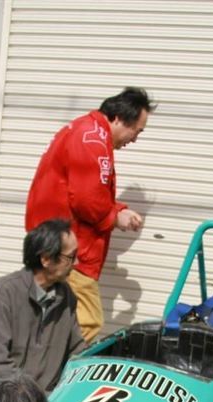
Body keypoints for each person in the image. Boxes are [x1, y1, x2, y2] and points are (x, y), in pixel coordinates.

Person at [25, 87, 155, 343]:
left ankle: (39, 363)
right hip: (71, 250)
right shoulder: (93, 140)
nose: (135, 140)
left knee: (52, 320)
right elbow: (87, 199)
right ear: (119, 119)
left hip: (54, 243)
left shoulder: (83, 130)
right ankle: (57, 368)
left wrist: (116, 209)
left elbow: (85, 189)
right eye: (137, 131)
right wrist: (114, 217)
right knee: (86, 322)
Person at [0, 218, 86, 391]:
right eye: (71, 257)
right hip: (3, 398)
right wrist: (35, 397)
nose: (76, 263)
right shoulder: (1, 296)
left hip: (47, 400)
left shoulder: (66, 296)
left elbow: (77, 351)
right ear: (46, 259)